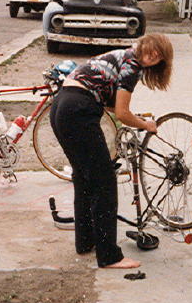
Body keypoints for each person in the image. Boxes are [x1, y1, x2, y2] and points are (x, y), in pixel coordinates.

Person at [49, 34, 174, 269]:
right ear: (145, 44)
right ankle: (109, 256)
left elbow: (108, 100)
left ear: (161, 64)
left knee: (84, 179)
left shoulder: (122, 56)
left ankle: (86, 242)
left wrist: (133, 117)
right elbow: (122, 114)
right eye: (153, 49)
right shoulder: (132, 65)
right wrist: (146, 124)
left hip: (61, 106)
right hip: (77, 110)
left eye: (159, 56)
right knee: (104, 182)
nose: (153, 55)